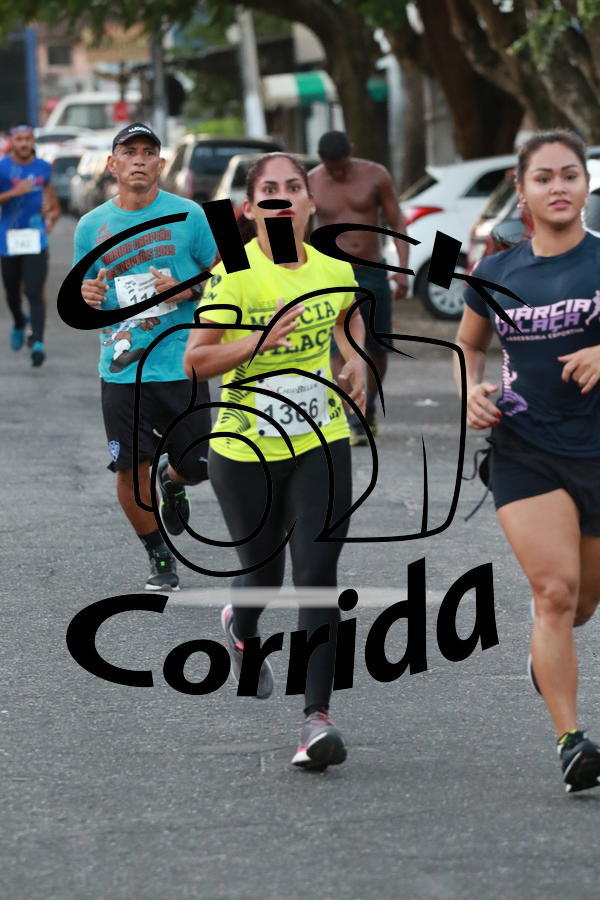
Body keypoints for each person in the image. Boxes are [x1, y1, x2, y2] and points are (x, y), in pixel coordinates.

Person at [184, 152, 366, 770]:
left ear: (312, 203)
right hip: (244, 449)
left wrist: (357, 362)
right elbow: (196, 360)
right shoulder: (234, 275)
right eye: (270, 190)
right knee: (262, 573)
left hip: (322, 438)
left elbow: (349, 320)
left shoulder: (334, 268)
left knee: (316, 572)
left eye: (294, 187)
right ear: (251, 208)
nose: (283, 197)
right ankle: (241, 620)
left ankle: (317, 718)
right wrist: (261, 340)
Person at [454, 129, 600, 794]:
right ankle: (571, 740)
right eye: (544, 177)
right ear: (523, 190)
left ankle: (554, 654)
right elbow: (468, 345)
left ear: (587, 184)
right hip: (526, 449)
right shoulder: (497, 272)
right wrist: (470, 393)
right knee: (555, 592)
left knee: (586, 602)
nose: (559, 187)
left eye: (570, 174)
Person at [74, 122, 217, 591]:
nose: (139, 159)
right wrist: (87, 294)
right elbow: (83, 292)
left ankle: (172, 480)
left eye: (148, 151)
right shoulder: (90, 226)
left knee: (198, 464)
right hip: (123, 369)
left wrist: (189, 286)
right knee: (128, 470)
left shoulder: (194, 215)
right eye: (129, 151)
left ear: (161, 163)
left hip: (182, 361)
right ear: (112, 164)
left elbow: (236, 273)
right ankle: (158, 554)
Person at [308, 130, 409, 445]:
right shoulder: (311, 181)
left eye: (341, 165)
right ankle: (354, 415)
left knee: (377, 347)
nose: (336, 173)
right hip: (331, 272)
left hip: (372, 271)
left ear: (350, 152)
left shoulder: (375, 175)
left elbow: (397, 221)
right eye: (330, 167)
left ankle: (370, 402)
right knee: (339, 342)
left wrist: (403, 269)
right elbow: (299, 227)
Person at [0, 122, 61, 366]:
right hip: (8, 241)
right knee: (12, 293)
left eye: (28, 139)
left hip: (35, 240)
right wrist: (13, 193)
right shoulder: (3, 168)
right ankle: (18, 321)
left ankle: (38, 342)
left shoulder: (43, 169)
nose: (24, 144)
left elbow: (54, 207)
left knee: (35, 291)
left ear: (33, 141)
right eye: (19, 139)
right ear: (12, 142)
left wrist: (51, 217)